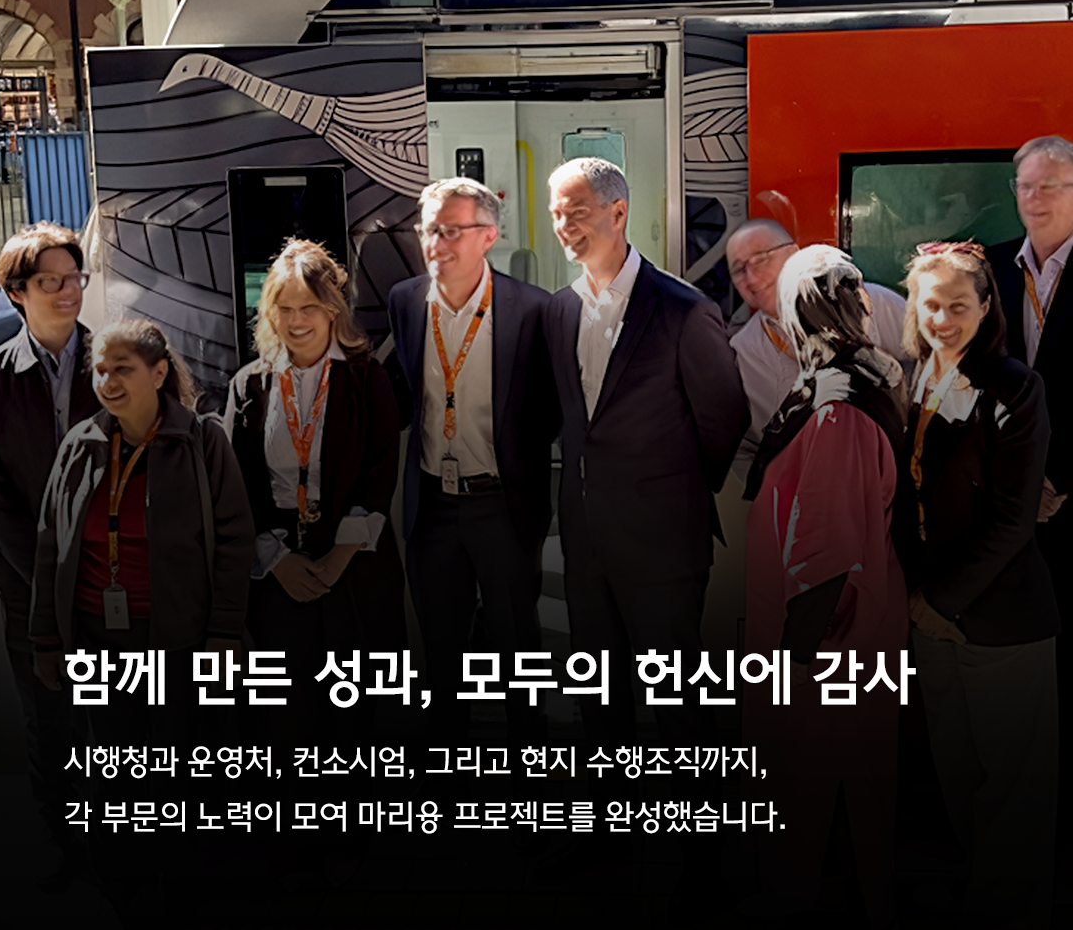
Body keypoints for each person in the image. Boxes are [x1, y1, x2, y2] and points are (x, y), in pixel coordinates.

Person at [29, 319, 253, 894]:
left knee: (182, 768)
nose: (107, 381)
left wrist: (225, 631)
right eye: (100, 370)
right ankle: (124, 883)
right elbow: (51, 543)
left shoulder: (202, 442)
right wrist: (46, 638)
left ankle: (184, 878)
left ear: (158, 373)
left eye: (122, 369)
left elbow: (234, 541)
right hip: (96, 642)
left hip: (177, 640)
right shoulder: (79, 444)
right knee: (111, 771)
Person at [544, 156, 749, 740]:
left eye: (576, 212)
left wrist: (673, 491)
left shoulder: (684, 308)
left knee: (677, 704)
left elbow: (725, 416)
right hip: (585, 544)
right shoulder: (560, 309)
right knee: (599, 704)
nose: (564, 226)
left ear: (619, 212)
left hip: (664, 546)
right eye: (557, 214)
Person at [741, 246, 907, 927]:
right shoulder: (860, 379)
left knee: (811, 794)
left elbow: (825, 552)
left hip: (825, 641)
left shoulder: (835, 406)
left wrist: (788, 668)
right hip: (852, 629)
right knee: (859, 787)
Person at [895, 242, 1059, 924]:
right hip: (929, 616)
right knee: (959, 772)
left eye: (958, 305)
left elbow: (1014, 521)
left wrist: (940, 603)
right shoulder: (916, 375)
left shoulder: (1015, 387)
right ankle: (980, 894)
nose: (942, 319)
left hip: (998, 617)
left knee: (1013, 786)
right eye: (930, 305)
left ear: (987, 307)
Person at [389, 178, 558, 740]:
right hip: (432, 505)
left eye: (451, 231)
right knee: (441, 658)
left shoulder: (532, 310)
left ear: (488, 235)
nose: (435, 243)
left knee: (517, 653)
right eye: (428, 230)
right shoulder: (405, 302)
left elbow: (551, 409)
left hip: (502, 503)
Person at [225, 239, 406, 737]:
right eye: (284, 309)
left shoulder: (367, 379)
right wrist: (277, 559)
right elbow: (239, 486)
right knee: (284, 717)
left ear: (332, 309)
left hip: (355, 564)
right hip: (277, 566)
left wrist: (337, 559)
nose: (296, 320)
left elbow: (380, 472)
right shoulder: (249, 385)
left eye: (308, 307)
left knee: (355, 716)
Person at [0, 222, 98, 887]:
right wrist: (45, 573)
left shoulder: (116, 363)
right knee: (47, 711)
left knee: (118, 708)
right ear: (16, 292)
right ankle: (61, 838)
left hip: (110, 576)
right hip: (28, 578)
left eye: (74, 279)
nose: (67, 293)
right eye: (49, 281)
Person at [987, 135, 1072, 799]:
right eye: (1026, 186)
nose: (1035, 198)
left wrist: (1061, 477)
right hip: (1009, 503)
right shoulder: (988, 269)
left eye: (1052, 186)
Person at [727, 218, 909, 468]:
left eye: (761, 259)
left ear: (793, 253)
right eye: (739, 270)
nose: (752, 278)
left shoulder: (875, 303)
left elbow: (934, 369)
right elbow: (741, 449)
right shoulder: (741, 355)